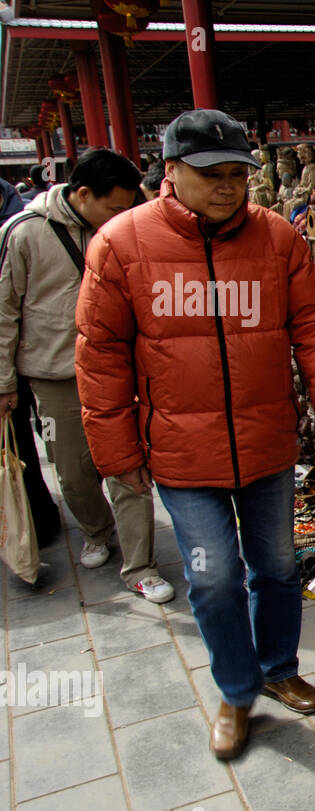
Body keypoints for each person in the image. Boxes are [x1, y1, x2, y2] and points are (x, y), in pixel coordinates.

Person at [75, 110, 315, 761]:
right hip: (181, 452)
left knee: (280, 566)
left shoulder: (279, 240)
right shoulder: (121, 246)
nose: (228, 187)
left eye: (237, 175)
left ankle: (280, 665)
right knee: (215, 577)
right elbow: (101, 356)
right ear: (170, 173)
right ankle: (237, 689)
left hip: (266, 441)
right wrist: (118, 453)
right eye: (211, 175)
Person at [0, 148, 172, 597]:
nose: (123, 215)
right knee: (72, 471)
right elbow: (3, 314)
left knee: (127, 466)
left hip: (121, 370)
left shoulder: (129, 230)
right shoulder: (23, 234)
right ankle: (97, 532)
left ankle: (140, 566)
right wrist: (4, 383)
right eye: (114, 207)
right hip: (55, 376)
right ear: (81, 194)